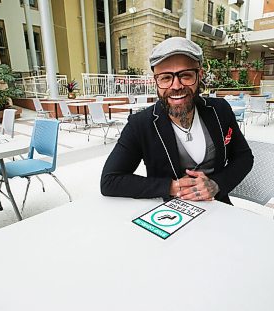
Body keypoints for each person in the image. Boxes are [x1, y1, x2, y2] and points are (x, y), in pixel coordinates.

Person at [100, 37, 253, 204]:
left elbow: (244, 157)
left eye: (186, 75)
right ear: (156, 81)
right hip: (168, 214)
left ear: (199, 75)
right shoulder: (140, 124)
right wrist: (171, 186)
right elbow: (110, 181)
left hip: (218, 207)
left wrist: (216, 184)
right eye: (166, 78)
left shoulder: (220, 110)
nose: (176, 85)